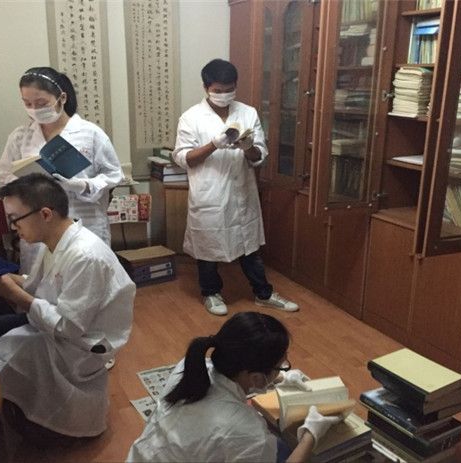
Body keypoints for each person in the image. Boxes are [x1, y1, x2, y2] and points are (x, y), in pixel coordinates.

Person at [0, 173, 135, 441]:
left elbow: (69, 327)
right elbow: (35, 285)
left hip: (78, 345)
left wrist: (10, 291)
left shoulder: (85, 256)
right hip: (51, 322)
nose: (13, 227)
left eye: (15, 219)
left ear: (45, 214)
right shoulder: (57, 241)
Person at [172, 58, 298, 316]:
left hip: (242, 192)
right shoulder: (191, 117)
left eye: (229, 89)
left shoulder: (248, 113)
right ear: (206, 87)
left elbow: (259, 156)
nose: (224, 95)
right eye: (218, 90)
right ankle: (211, 293)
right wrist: (214, 144)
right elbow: (184, 158)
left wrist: (247, 146)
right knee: (208, 249)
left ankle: (263, 293)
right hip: (210, 194)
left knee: (249, 247)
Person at [127, 311, 340, 462]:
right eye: (280, 367)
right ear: (256, 378)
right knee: (283, 448)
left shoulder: (191, 369)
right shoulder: (248, 433)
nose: (282, 369)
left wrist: (279, 379)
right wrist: (311, 435)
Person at [0, 66, 123, 272]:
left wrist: (81, 185)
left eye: (41, 103)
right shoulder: (20, 137)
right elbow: (2, 178)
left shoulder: (90, 134)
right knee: (40, 282)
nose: (34, 109)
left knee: (85, 276)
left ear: (61, 98)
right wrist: (26, 184)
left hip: (84, 222)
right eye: (28, 104)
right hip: (36, 226)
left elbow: (113, 175)